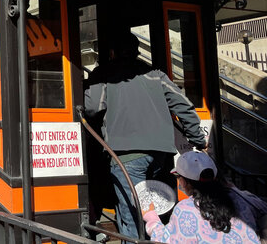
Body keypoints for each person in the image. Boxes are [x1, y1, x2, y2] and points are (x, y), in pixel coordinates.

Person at [84, 31, 206, 241]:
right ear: (137, 51)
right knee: (160, 210)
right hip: (162, 156)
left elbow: (91, 107)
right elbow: (184, 106)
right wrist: (198, 139)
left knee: (132, 216)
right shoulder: (156, 75)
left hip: (127, 157)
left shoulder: (105, 74)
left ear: (112, 53)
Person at [143, 151, 260, 243]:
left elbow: (165, 241)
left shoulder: (186, 210)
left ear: (183, 182)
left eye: (178, 177)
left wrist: (151, 219)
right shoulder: (237, 196)